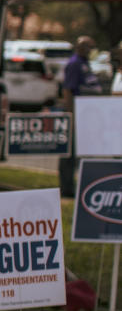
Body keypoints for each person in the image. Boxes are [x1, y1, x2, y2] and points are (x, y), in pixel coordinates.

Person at [58, 35, 103, 197]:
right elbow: (68, 90)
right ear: (82, 47)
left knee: (81, 152)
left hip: (87, 115)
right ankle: (67, 189)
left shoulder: (85, 63)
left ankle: (79, 185)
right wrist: (71, 116)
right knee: (69, 153)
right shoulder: (74, 64)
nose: (93, 50)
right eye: (91, 47)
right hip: (76, 114)